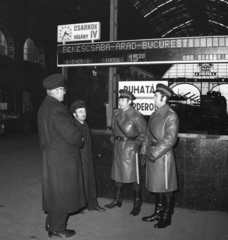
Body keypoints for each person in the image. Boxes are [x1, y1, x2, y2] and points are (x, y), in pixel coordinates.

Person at [37, 74, 86, 238]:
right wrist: (81, 139)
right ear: (56, 91)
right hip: (62, 159)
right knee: (63, 194)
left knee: (54, 192)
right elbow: (71, 135)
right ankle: (57, 229)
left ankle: (51, 223)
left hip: (51, 156)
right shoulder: (57, 109)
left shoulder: (44, 107)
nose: (64, 93)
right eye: (62, 90)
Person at [140, 83, 179, 228]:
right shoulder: (155, 114)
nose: (153, 98)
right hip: (153, 155)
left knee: (166, 188)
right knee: (157, 187)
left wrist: (154, 154)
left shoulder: (171, 115)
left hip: (163, 157)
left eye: (155, 96)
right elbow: (147, 136)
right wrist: (144, 152)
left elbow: (170, 139)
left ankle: (166, 217)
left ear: (163, 98)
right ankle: (158, 212)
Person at [104, 89, 147, 216]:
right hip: (118, 148)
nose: (120, 102)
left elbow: (144, 135)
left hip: (130, 150)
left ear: (129, 101)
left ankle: (137, 203)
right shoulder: (116, 114)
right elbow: (113, 131)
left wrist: (135, 146)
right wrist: (114, 140)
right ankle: (118, 200)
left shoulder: (136, 115)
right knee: (118, 174)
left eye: (123, 100)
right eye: (120, 99)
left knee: (134, 177)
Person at [69, 100, 106, 213]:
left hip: (88, 158)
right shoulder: (73, 126)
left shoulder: (84, 124)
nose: (83, 113)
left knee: (90, 181)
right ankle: (78, 207)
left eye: (84, 111)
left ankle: (92, 204)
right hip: (80, 159)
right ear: (74, 114)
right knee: (80, 183)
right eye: (80, 111)